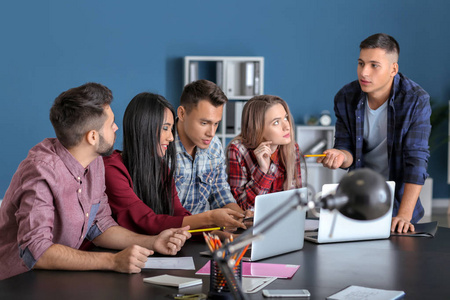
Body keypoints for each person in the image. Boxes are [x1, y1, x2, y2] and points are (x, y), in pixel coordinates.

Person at [0, 83, 190, 280]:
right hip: (17, 283)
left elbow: (100, 226)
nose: (117, 127)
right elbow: (36, 252)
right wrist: (112, 261)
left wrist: (153, 242)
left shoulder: (95, 162)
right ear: (92, 136)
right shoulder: (41, 171)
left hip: (57, 279)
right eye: (111, 124)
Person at [317, 33, 431, 233]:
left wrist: (404, 215)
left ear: (393, 69)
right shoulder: (345, 97)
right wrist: (339, 155)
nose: (364, 72)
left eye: (374, 65)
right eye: (361, 63)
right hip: (358, 198)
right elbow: (347, 150)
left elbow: (416, 160)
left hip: (399, 204)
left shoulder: (415, 99)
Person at [103, 92, 247, 235]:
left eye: (171, 129)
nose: (171, 137)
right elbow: (146, 220)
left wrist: (213, 233)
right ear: (144, 127)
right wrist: (209, 218)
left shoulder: (161, 168)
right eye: (165, 128)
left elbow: (178, 214)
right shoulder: (112, 169)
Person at [174, 79, 252, 222]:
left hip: (206, 235)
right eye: (204, 123)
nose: (211, 132)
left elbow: (220, 193)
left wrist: (241, 216)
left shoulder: (214, 145)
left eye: (216, 124)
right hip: (170, 235)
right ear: (182, 114)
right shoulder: (162, 146)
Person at [226, 95, 303, 210]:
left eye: (286, 118)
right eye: (276, 122)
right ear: (257, 128)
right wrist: (263, 171)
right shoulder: (238, 150)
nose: (287, 127)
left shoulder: (292, 148)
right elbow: (242, 208)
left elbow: (296, 201)